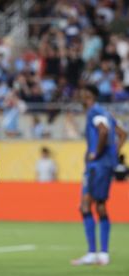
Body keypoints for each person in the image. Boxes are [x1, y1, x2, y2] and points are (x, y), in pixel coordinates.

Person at [71, 85, 127, 266]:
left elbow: (103, 131)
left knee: (86, 205)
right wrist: (112, 155)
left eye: (81, 95)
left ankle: (94, 253)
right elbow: (123, 133)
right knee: (100, 206)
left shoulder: (94, 111)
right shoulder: (107, 113)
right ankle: (102, 254)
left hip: (96, 166)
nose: (79, 98)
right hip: (105, 165)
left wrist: (96, 152)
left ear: (88, 95)